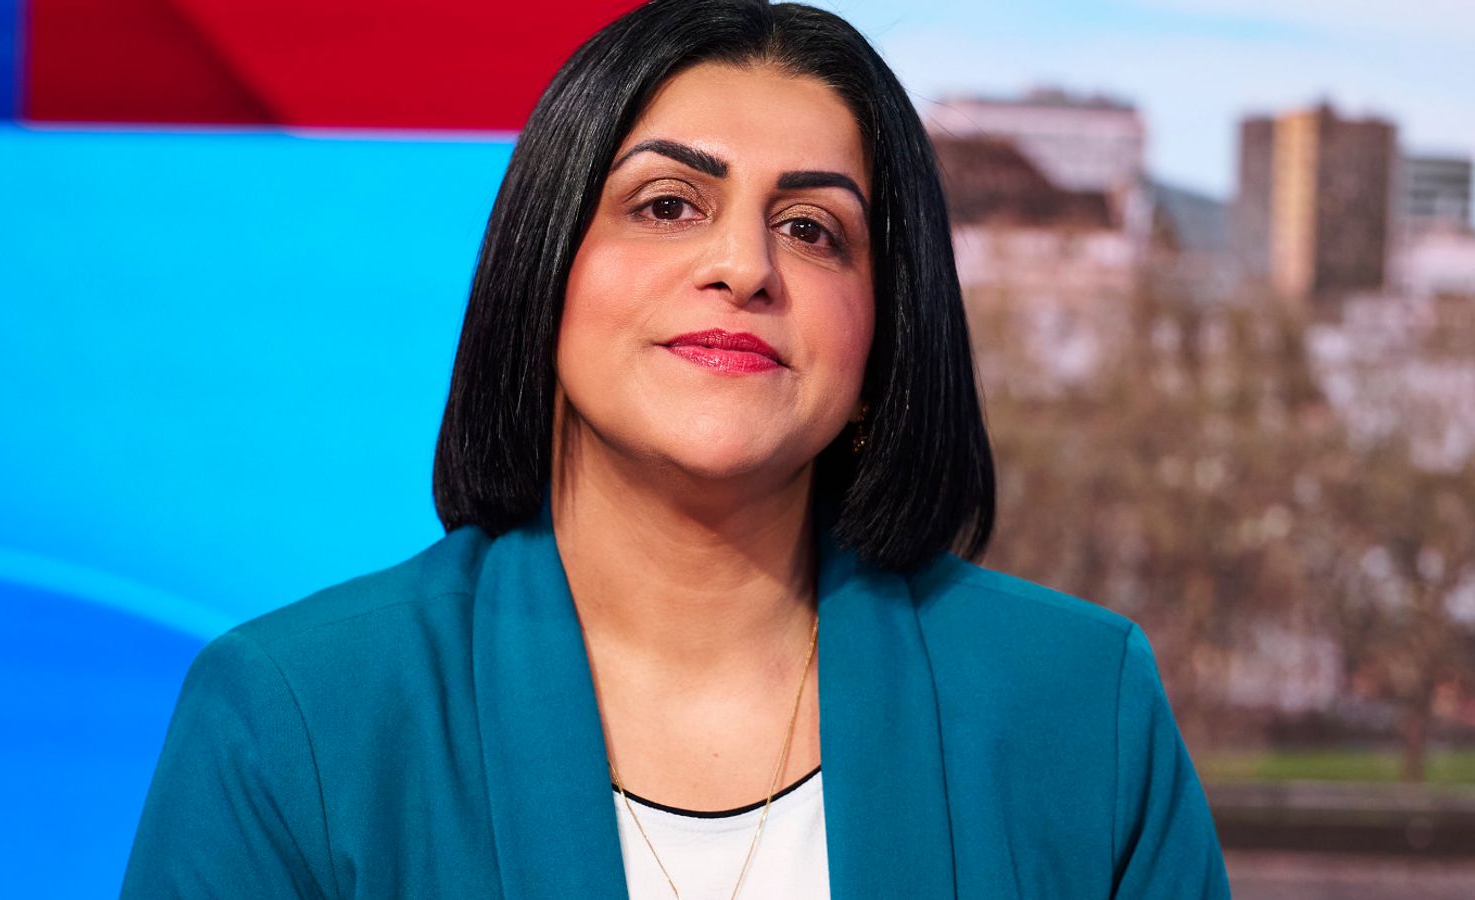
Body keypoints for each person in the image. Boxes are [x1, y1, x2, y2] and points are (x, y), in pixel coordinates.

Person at [120, 1, 1231, 897]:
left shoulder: (1078, 710)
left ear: (884, 337)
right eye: (666, 205)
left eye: (812, 229)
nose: (744, 266)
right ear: (544, 271)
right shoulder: (297, 718)